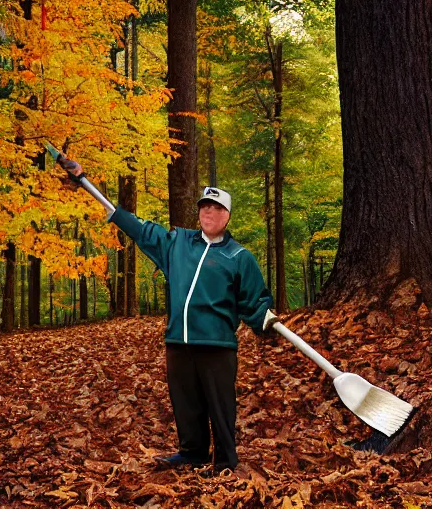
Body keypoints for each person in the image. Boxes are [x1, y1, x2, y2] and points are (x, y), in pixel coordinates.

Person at [59, 157, 274, 473]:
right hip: (178, 340)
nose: (208, 213)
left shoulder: (238, 256)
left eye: (216, 209)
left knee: (220, 405)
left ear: (227, 215)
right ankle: (192, 452)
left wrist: (265, 320)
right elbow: (140, 229)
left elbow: (254, 300)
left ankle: (226, 461)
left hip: (216, 344)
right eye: (204, 207)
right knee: (185, 403)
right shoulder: (177, 243)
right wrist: (84, 182)